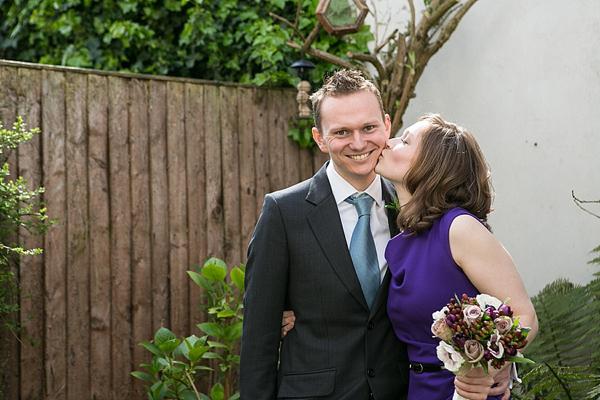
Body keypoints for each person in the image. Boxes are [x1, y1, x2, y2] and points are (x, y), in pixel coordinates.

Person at [240, 69, 509, 399]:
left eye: (368, 128)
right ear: (319, 138)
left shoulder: (420, 212)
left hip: (403, 391)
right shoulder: (283, 213)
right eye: (341, 132)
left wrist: (498, 364)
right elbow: (258, 342)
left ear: (385, 125)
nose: (358, 142)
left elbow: (491, 299)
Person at [373, 114, 539, 399]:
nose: (387, 143)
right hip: (418, 390)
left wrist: (494, 365)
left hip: (464, 393)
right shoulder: (403, 240)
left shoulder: (458, 228)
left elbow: (525, 315)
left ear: (431, 165)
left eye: (404, 140)